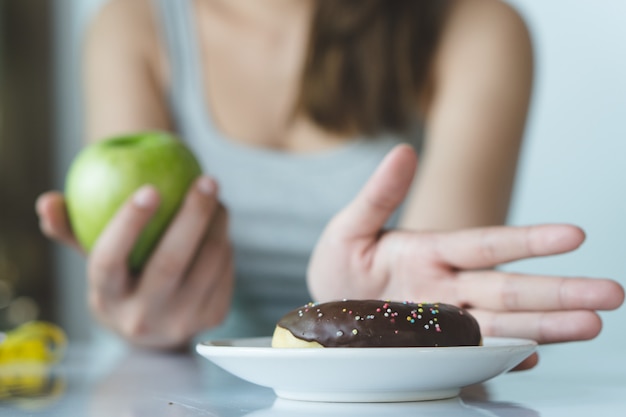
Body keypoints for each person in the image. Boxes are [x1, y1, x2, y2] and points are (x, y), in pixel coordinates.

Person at [36, 0, 623, 367]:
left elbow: (435, 294)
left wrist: (382, 308)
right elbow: (133, 294)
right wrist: (133, 313)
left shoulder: (479, 26)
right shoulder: (131, 22)